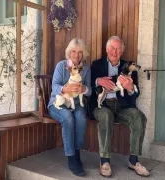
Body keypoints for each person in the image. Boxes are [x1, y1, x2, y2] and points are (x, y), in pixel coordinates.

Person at [90, 36, 149, 177]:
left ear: (122, 51)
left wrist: (130, 88)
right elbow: (88, 83)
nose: (114, 51)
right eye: (112, 48)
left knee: (139, 117)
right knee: (105, 115)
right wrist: (99, 81)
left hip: (122, 107)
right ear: (106, 49)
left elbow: (136, 93)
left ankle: (133, 161)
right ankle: (104, 162)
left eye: (118, 49)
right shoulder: (97, 65)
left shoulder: (129, 68)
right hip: (102, 105)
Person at [47, 38, 92, 177]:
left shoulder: (86, 68)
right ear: (69, 52)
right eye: (73, 51)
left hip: (76, 104)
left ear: (83, 54)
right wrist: (65, 88)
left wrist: (84, 88)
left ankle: (77, 152)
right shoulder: (61, 66)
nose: (76, 55)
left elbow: (90, 91)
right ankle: (71, 158)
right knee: (68, 118)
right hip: (58, 103)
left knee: (81, 118)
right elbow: (54, 87)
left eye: (79, 52)